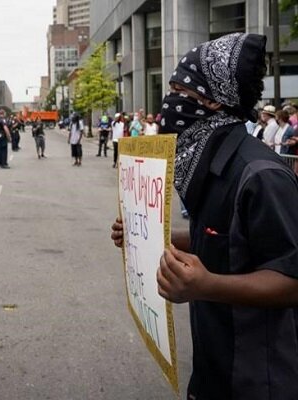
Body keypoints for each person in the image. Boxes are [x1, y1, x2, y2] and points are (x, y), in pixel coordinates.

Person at [111, 32, 298, 400]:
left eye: (180, 91)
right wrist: (149, 234)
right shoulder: (209, 167)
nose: (170, 103)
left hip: (257, 379)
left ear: (212, 101)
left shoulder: (262, 175)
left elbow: (291, 280)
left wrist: (205, 285)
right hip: (213, 367)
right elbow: (219, 236)